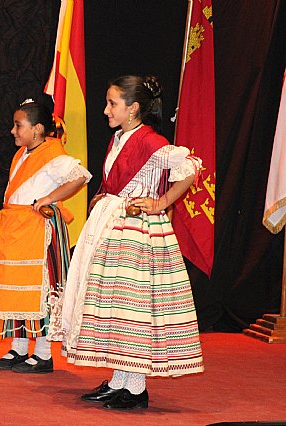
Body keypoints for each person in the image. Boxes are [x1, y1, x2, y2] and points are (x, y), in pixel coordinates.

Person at [48, 75, 204, 410]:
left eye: (112, 103)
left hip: (136, 232)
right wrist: (105, 197)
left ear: (133, 108)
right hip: (113, 226)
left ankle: (135, 389)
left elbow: (189, 166)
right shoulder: (120, 138)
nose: (106, 110)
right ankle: (121, 381)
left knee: (132, 308)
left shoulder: (149, 140)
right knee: (115, 307)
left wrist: (161, 202)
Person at [0, 99, 91, 373]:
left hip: (35, 231)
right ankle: (19, 348)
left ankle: (43, 354)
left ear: (37, 129)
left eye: (18, 125)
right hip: (15, 229)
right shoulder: (23, 153)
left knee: (40, 291)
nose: (13, 131)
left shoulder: (52, 153)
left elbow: (80, 176)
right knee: (19, 292)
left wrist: (49, 198)